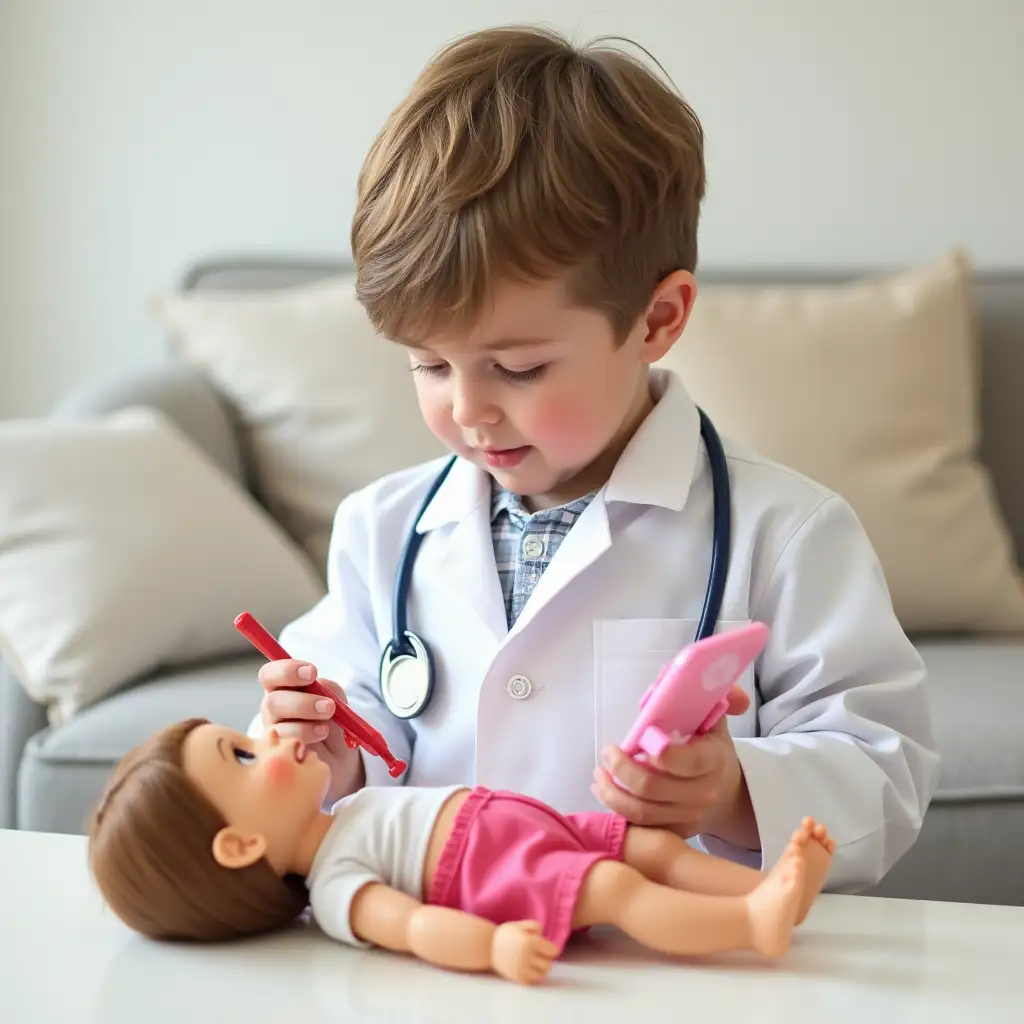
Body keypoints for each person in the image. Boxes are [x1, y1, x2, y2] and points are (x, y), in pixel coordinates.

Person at [251, 25, 939, 893]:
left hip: (662, 960)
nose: (466, 410)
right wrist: (324, 748)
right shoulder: (382, 532)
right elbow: (355, 756)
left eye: (519, 367)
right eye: (429, 365)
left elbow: (887, 770)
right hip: (444, 949)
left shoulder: (789, 534)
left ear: (656, 320)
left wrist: (732, 791)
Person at [88, 718, 837, 984]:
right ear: (242, 843)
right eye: (245, 756)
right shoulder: (335, 887)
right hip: (496, 870)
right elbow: (411, 926)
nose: (270, 737)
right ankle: (752, 926)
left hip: (518, 825)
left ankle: (763, 887)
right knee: (621, 891)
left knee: (650, 848)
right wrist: (492, 948)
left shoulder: (346, 811)